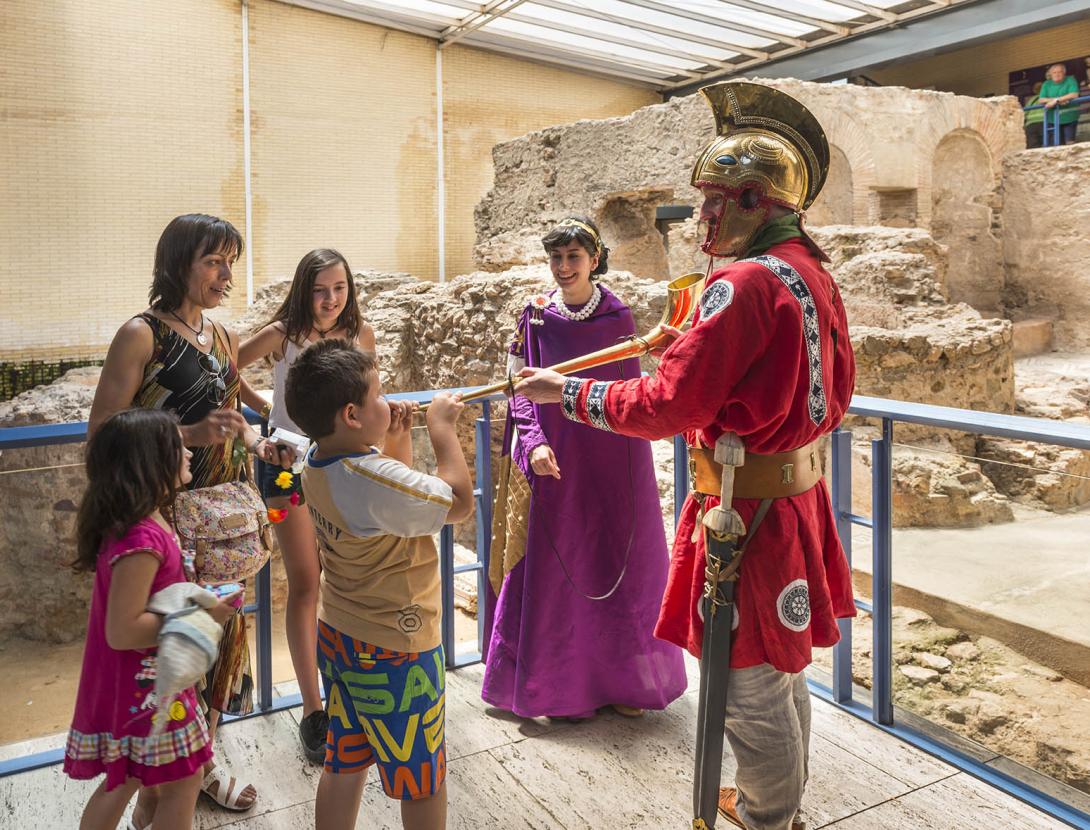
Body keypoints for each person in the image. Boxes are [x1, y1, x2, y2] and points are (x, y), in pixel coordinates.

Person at [515, 81, 856, 830]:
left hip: (746, 514)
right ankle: (780, 803)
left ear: (755, 200)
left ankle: (770, 816)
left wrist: (564, 396)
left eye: (713, 200)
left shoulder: (740, 286)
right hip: (795, 499)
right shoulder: (809, 269)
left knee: (748, 686)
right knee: (783, 667)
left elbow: (669, 405)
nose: (700, 217)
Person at [89, 213, 291, 820]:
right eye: (213, 261)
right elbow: (103, 434)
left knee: (216, 641)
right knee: (173, 650)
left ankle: (192, 765)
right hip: (166, 517)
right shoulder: (141, 334)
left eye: (230, 260)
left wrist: (259, 445)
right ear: (178, 263)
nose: (226, 274)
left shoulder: (223, 338)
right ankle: (173, 775)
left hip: (224, 520)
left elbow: (231, 421)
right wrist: (189, 433)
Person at [481, 215, 686, 720]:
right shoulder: (535, 317)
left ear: (595, 260)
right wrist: (532, 445)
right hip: (556, 458)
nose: (563, 266)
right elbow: (520, 391)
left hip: (614, 459)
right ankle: (561, 691)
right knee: (557, 567)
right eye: (556, 257)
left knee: (615, 559)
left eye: (574, 257)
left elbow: (630, 394)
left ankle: (622, 685)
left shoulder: (620, 319)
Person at [284, 339, 473, 830]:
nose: (387, 403)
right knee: (423, 778)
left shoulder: (316, 460)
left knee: (344, 763)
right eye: (379, 395)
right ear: (351, 414)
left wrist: (393, 441)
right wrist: (442, 429)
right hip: (398, 651)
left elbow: (387, 505)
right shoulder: (368, 476)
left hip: (342, 637)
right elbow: (457, 502)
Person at [64, 409, 240, 830]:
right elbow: (123, 629)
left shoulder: (141, 522)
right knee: (184, 780)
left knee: (124, 781)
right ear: (150, 462)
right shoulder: (142, 537)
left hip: (141, 683)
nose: (187, 450)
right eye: (175, 444)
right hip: (145, 688)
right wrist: (198, 612)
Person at [238, 248, 376, 763]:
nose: (331, 299)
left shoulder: (360, 335)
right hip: (282, 467)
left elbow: (369, 398)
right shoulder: (283, 333)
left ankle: (350, 694)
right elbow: (226, 368)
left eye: (339, 288)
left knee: (347, 578)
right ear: (304, 289)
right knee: (305, 581)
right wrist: (264, 412)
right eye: (321, 289)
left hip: (343, 466)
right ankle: (314, 711)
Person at [1038, 63, 1081, 145]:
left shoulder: (1070, 80)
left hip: (1069, 117)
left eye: (1059, 72)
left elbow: (1074, 94)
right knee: (1055, 145)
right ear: (1050, 74)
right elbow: (1041, 99)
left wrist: (1056, 101)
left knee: (1070, 143)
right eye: (1054, 72)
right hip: (1052, 118)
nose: (1057, 74)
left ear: (1064, 73)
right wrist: (1058, 100)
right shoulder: (1046, 84)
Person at [1023, 82, 1045, 149]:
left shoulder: (1032, 99)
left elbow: (1024, 113)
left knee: (1032, 147)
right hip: (1044, 122)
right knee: (1047, 145)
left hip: (1030, 125)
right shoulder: (1048, 97)